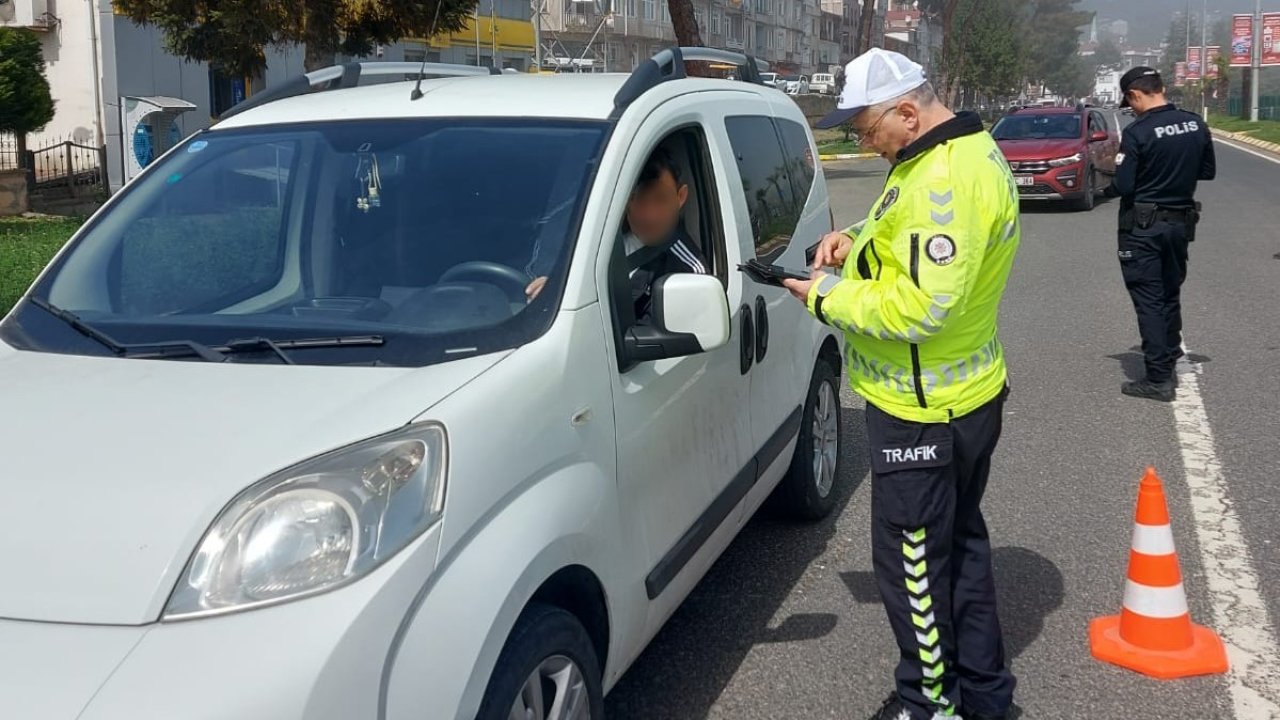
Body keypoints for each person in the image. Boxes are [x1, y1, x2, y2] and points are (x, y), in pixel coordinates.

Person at [783, 48, 1020, 720]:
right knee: (960, 545)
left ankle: (929, 703)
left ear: (908, 113)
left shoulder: (940, 180)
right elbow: (906, 231)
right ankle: (985, 695)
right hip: (966, 395)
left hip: (924, 411)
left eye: (866, 131)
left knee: (912, 565)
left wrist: (823, 296)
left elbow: (921, 307)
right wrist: (852, 241)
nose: (866, 144)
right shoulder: (959, 152)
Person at [1103, 66, 1215, 402]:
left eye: (1129, 101)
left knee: (1149, 299)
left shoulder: (1139, 132)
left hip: (1144, 229)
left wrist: (1106, 187)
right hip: (1181, 223)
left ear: (1134, 95)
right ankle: (1171, 350)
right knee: (1169, 290)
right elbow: (1206, 171)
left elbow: (1124, 185)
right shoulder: (1195, 123)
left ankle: (1158, 379)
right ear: (1161, 87)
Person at [526, 146, 707, 317]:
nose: (649, 215)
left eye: (661, 199)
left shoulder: (688, 272)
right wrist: (553, 291)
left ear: (681, 197)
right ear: (622, 199)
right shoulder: (593, 236)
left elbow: (646, 341)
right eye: (637, 199)